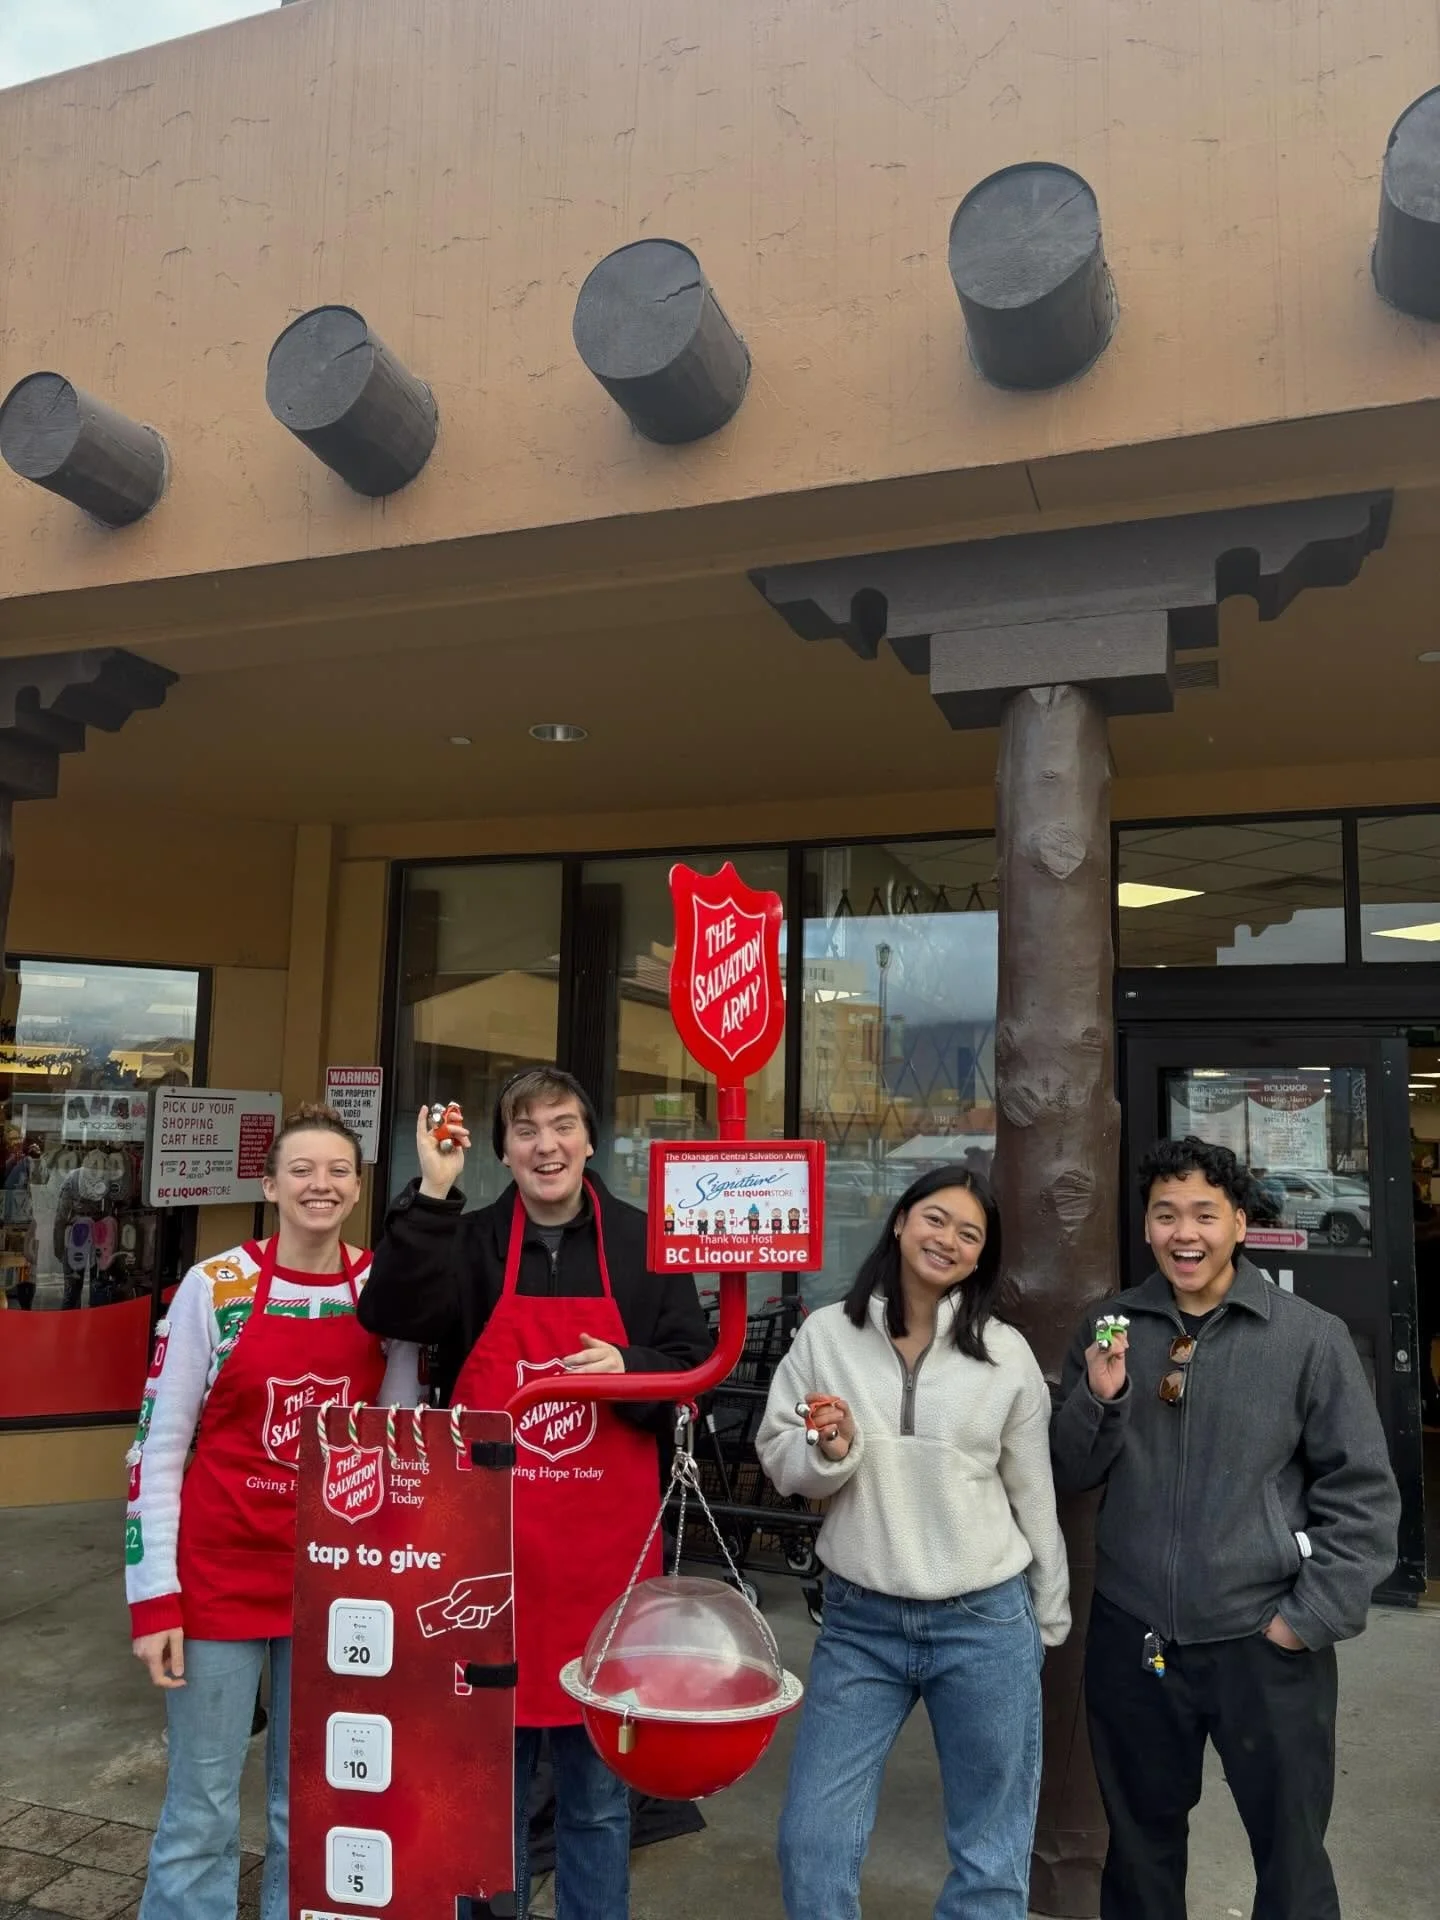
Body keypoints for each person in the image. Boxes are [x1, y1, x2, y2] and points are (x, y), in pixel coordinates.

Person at [356, 1067, 710, 1920]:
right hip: (491, 1564)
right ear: (504, 1150)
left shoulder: (645, 1240)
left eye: (561, 1126)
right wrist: (435, 1195)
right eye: (525, 1130)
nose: (545, 1145)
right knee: (491, 1794)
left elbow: (694, 1362)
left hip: (606, 1562)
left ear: (591, 1139)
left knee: (596, 1797)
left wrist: (631, 1370)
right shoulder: (471, 1240)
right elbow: (393, 1314)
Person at [1051, 1135, 1401, 1920]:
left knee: (1292, 1856)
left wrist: (1305, 1621)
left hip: (1264, 1644)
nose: (1186, 1233)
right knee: (1138, 1857)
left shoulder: (1307, 1337)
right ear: (1145, 1228)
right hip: (1137, 1638)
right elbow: (1070, 1472)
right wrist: (1100, 1400)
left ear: (1240, 1223)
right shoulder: (1109, 1328)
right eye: (1166, 1214)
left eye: (1205, 1214)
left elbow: (1365, 1495)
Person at [127, 1103, 419, 1920]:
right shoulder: (214, 1287)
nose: (318, 1185)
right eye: (301, 1170)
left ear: (356, 1189)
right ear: (270, 1184)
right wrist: (154, 1599)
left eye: (335, 1171)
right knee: (201, 1809)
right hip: (218, 1582)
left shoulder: (380, 1295)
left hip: (332, 1590)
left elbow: (394, 1449)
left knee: (314, 1807)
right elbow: (156, 1450)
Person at [756, 1165, 1069, 1920]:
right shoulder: (826, 1334)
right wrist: (829, 1452)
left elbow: (1033, 1492)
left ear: (981, 1257)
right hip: (861, 1622)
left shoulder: (1004, 1354)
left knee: (990, 1854)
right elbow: (779, 1457)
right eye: (935, 1219)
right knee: (813, 1839)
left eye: (969, 1233)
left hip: (986, 1620)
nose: (948, 1240)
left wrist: (1047, 1616)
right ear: (900, 1222)